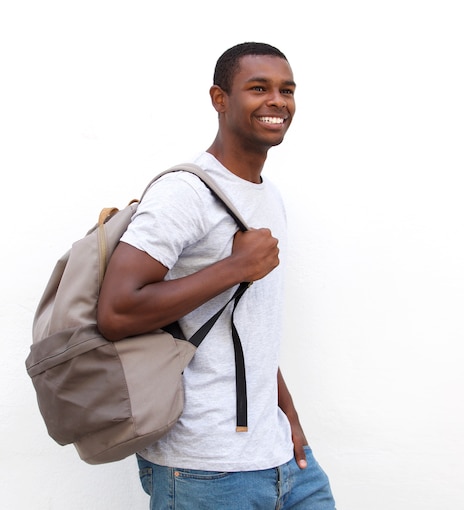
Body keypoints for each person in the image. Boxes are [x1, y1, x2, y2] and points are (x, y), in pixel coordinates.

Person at [97, 42, 336, 509]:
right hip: (204, 468)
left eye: (287, 90)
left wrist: (290, 419)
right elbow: (116, 311)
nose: (277, 101)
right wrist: (234, 267)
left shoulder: (268, 196)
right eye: (258, 88)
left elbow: (250, 326)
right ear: (219, 98)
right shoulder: (184, 192)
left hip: (280, 457)